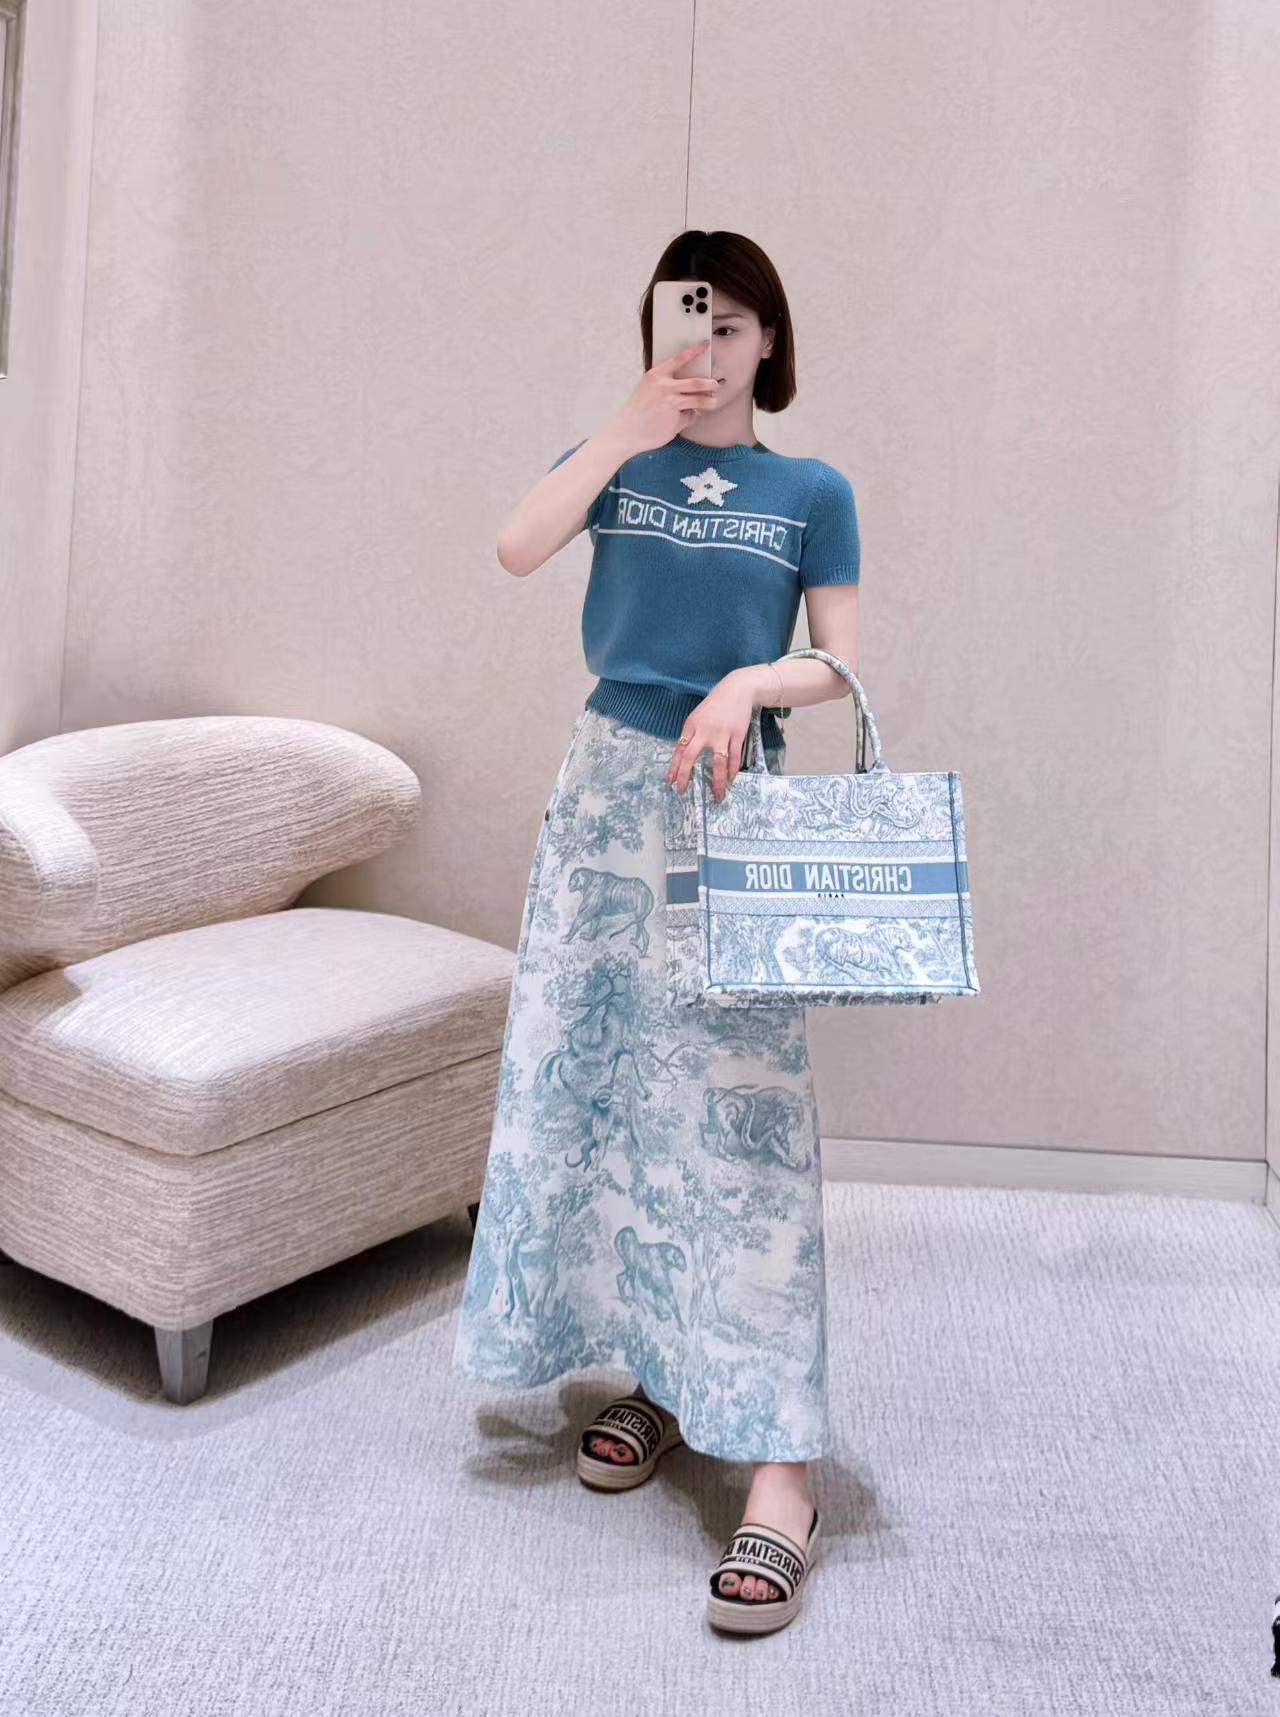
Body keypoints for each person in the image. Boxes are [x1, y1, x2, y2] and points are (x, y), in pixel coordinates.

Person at [452, 228, 861, 1633]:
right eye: (690, 320)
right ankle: (664, 1377)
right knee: (608, 1099)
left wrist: (752, 679)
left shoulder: (811, 490)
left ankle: (784, 1471)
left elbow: (840, 660)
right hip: (603, 799)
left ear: (772, 341)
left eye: (735, 325)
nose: (711, 347)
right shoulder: (615, 459)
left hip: (730, 806)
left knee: (742, 1123)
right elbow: (516, 547)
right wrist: (628, 423)